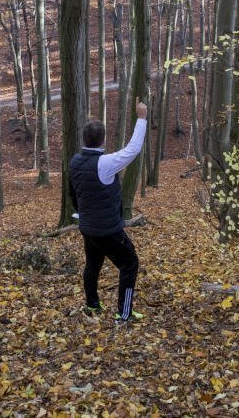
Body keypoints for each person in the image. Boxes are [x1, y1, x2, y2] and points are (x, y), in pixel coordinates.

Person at [68, 101, 148, 324]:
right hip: (107, 229)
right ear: (103, 140)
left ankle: (92, 304)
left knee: (93, 265)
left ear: (85, 139)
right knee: (130, 263)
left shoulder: (75, 162)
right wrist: (141, 118)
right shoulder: (105, 163)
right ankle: (124, 314)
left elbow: (72, 193)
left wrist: (82, 214)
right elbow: (133, 149)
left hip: (88, 227)